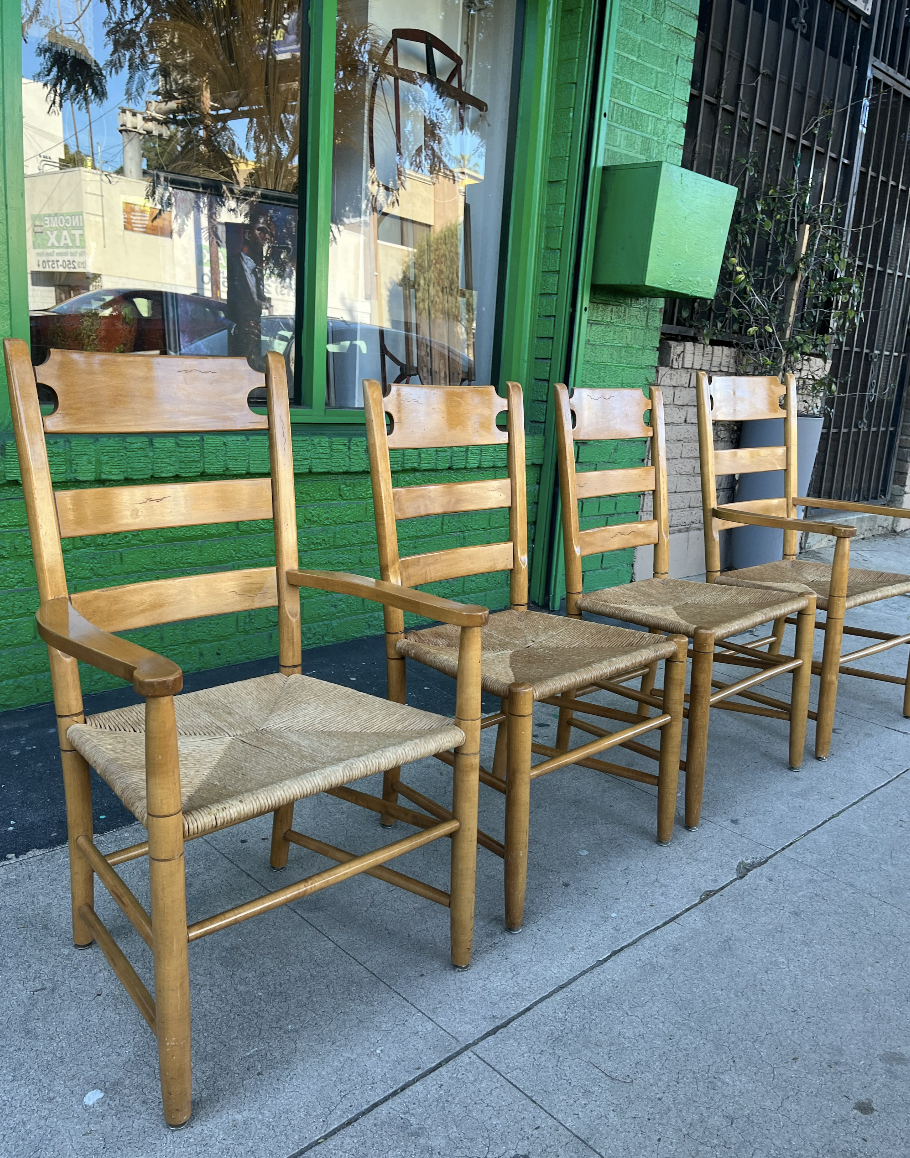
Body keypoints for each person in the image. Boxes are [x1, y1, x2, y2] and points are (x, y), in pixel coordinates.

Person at [227, 207, 276, 367]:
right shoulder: (230, 266)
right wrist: (236, 328)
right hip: (229, 358)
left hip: (254, 362)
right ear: (248, 235)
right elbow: (213, 312)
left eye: (271, 235)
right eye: (261, 231)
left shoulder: (261, 274)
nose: (267, 238)